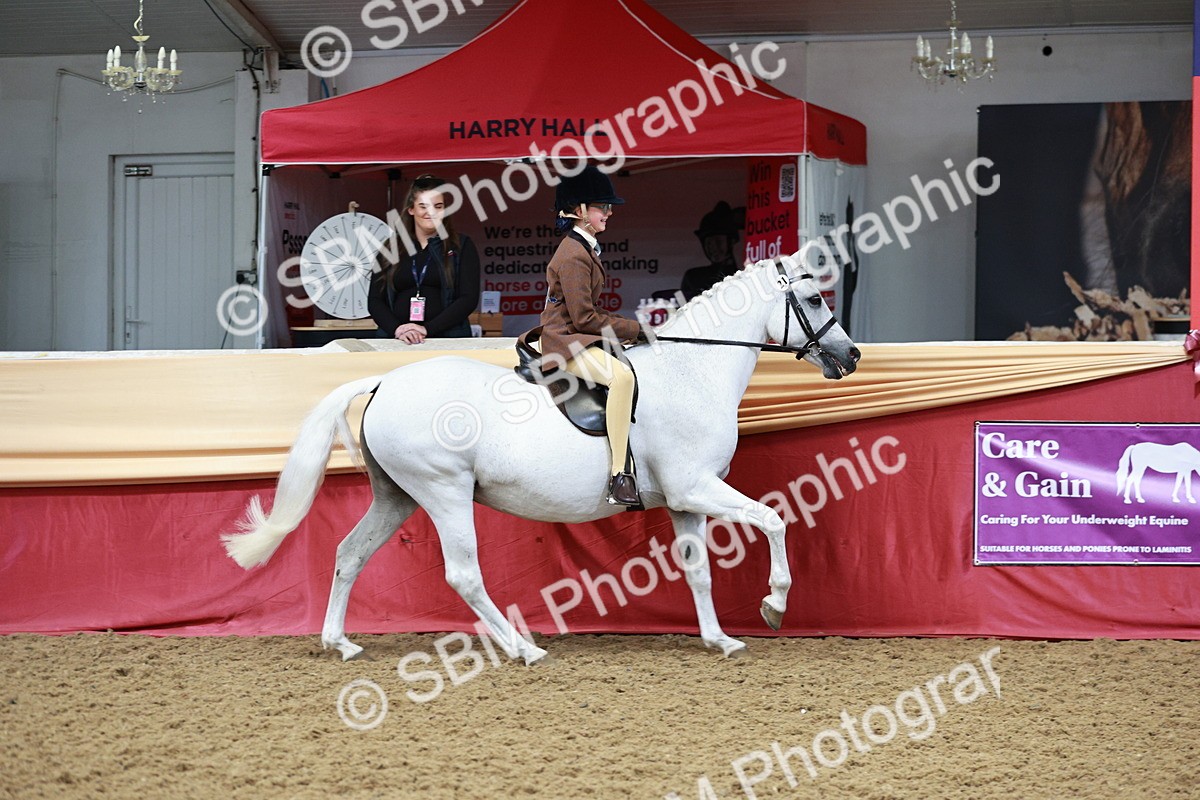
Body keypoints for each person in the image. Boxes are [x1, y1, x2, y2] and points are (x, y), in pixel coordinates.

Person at [519, 165, 646, 506]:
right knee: (620, 378)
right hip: (564, 341)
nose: (609, 212)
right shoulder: (574, 254)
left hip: (576, 334)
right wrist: (635, 329)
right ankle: (620, 474)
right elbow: (585, 317)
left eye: (608, 206)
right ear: (579, 211)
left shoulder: (584, 247)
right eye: (602, 206)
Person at [369, 175, 480, 343]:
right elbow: (375, 300)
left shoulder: (461, 246)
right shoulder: (391, 248)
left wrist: (426, 329)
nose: (431, 212)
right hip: (396, 341)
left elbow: (468, 298)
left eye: (438, 206)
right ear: (411, 209)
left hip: (446, 341)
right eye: (423, 206)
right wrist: (397, 329)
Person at [679, 201, 742, 301]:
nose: (713, 248)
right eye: (709, 243)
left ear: (731, 242)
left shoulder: (744, 276)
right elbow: (680, 304)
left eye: (718, 241)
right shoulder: (692, 277)